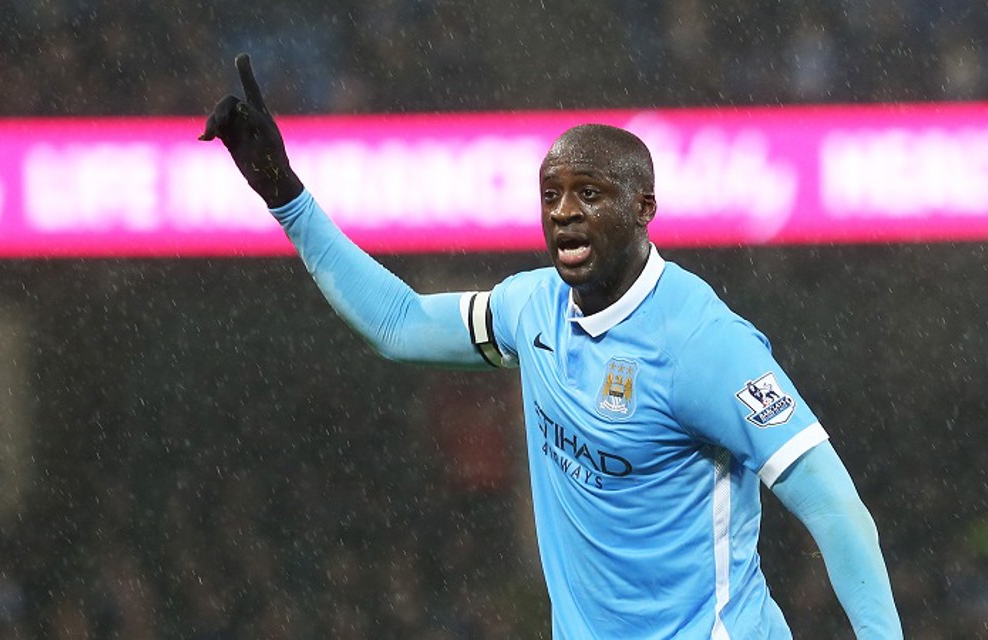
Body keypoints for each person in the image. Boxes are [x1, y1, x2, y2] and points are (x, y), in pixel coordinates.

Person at [200, 54, 902, 639]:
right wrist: (286, 198)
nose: (564, 210)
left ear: (643, 209)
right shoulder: (532, 307)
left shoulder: (705, 344)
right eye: (552, 194)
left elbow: (838, 513)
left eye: (590, 193)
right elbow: (400, 324)